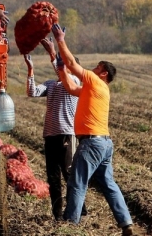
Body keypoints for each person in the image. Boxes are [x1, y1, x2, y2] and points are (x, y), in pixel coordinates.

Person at [51, 24, 134, 236]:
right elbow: (70, 87)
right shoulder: (97, 88)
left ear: (103, 73)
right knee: (108, 184)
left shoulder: (95, 81)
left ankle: (70, 226)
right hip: (104, 143)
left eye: (97, 67)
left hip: (91, 142)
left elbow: (71, 62)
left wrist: (60, 39)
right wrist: (61, 70)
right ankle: (126, 223)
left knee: (77, 183)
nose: (93, 69)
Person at [24, 38, 87, 220]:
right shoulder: (51, 84)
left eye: (65, 65)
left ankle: (79, 209)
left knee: (69, 174)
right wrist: (30, 69)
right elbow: (32, 92)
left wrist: (53, 52)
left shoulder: (74, 83)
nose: (62, 68)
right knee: (53, 178)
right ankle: (57, 214)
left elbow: (62, 73)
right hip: (50, 135)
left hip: (67, 134)